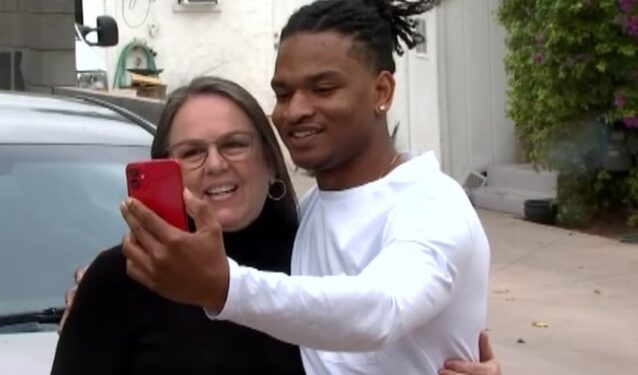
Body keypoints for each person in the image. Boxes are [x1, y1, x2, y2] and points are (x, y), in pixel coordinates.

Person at [117, 0, 492, 374]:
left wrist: (225, 287)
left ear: (382, 92)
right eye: (283, 94)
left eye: (324, 89)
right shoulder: (309, 213)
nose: (294, 111)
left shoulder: (432, 204)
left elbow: (381, 310)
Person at [51, 76, 306, 374]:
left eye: (235, 145)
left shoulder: (315, 259)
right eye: (192, 152)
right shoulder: (122, 275)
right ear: (165, 171)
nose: (215, 164)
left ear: (271, 162)